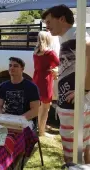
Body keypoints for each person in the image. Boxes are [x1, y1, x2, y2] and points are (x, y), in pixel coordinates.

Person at [42, 4, 90, 163]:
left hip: (74, 105)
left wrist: (83, 90)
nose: (47, 26)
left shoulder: (75, 35)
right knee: (85, 146)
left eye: (49, 22)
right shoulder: (67, 37)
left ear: (61, 19)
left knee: (72, 153)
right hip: (74, 104)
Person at [32, 31, 60, 136]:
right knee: (45, 108)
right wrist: (54, 69)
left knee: (39, 107)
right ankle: (42, 132)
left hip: (36, 79)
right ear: (48, 39)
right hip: (46, 81)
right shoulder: (50, 53)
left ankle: (40, 128)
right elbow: (60, 63)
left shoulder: (35, 52)